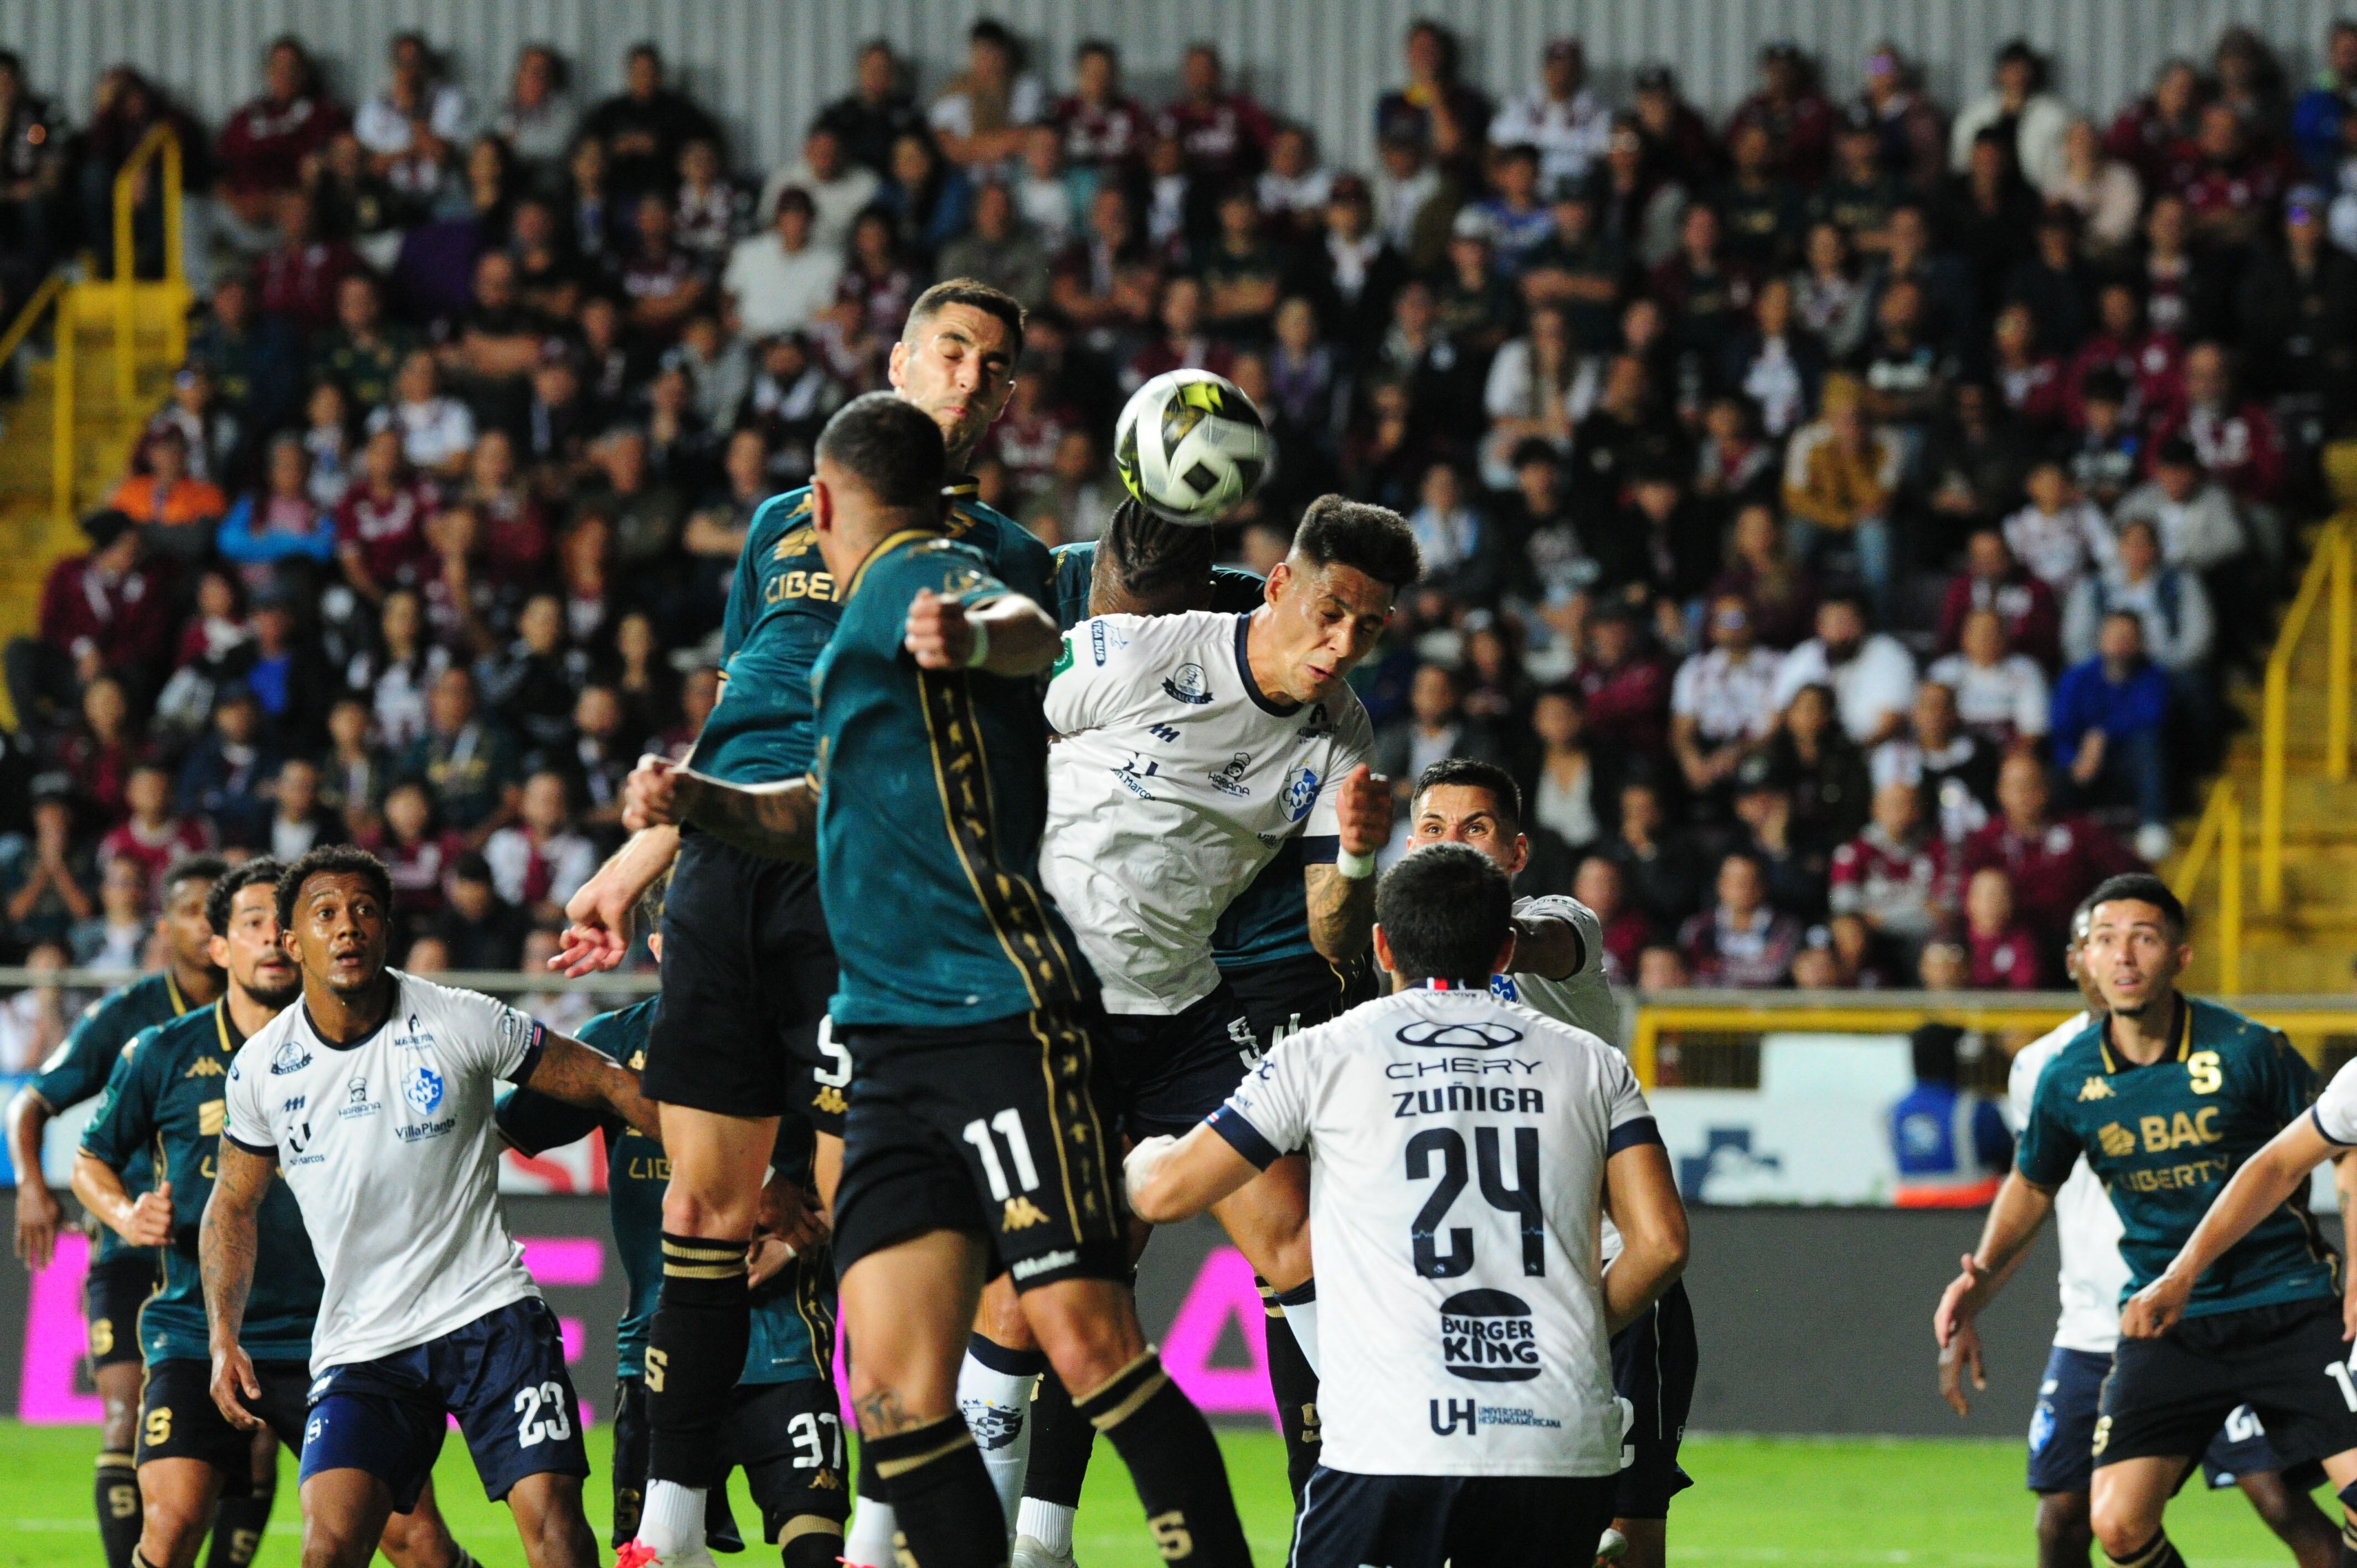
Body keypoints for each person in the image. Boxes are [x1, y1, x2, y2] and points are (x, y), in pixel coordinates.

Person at [628, 393, 1254, 1568]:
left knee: (1086, 1339)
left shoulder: (934, 572)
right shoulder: (852, 638)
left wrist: (975, 642)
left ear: (816, 507)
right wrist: (694, 803)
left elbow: (1023, 628)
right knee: (900, 1396)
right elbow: (818, 809)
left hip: (1001, 1022)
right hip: (886, 1048)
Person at [548, 281, 1058, 1568]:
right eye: (951, 349)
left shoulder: (998, 553)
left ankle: (878, 1535)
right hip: (722, 864)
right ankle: (664, 1532)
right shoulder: (790, 515)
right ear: (899, 358)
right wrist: (632, 862)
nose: (970, 376)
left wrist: (976, 639)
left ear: (1005, 400)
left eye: (994, 366)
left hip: (861, 876)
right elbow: (738, 710)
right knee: (704, 1214)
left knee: (867, 1223)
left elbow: (1032, 646)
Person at [1124, 841, 1689, 1568]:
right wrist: (1577, 1324)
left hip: (1390, 1441)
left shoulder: (1322, 1054)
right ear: (1506, 948)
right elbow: (1663, 1244)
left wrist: (1134, 1155)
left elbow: (1170, 1192)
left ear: (1383, 945)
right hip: (1554, 1439)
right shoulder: (1593, 1063)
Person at [203, 844, 660, 1568]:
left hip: (491, 1319)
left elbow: (606, 1081)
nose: (347, 927)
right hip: (363, 1345)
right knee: (328, 1549)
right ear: (293, 943)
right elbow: (232, 1205)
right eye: (325, 914)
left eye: (364, 911)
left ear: (387, 929)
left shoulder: (459, 1021)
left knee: (558, 1539)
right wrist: (223, 1335)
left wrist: (744, 1182)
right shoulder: (261, 1069)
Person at [1937, 876, 2357, 1568]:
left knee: (2293, 1508)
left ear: (2180, 957)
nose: (2123, 956)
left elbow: (2331, 1149)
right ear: (2083, 959)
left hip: (2285, 1306)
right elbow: (2029, 1186)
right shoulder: (2063, 1076)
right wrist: (1977, 1280)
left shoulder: (2249, 1050)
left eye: (2143, 938)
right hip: (2167, 1321)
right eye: (2105, 940)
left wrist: (2351, 1277)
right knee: (2114, 1526)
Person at [72, 857, 476, 1568]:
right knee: (169, 1527)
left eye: (276, 924)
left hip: (337, 1339)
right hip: (198, 1331)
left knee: (416, 1543)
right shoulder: (163, 1052)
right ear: (219, 946)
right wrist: (126, 1211)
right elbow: (89, 1157)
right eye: (249, 924)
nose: (267, 938)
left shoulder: (359, 1041)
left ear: (297, 943)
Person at [1403, 761, 1698, 1568]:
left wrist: (1476, 938)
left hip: (1610, 1288)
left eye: (1477, 830)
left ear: (1518, 851)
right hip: (1477, 1301)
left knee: (1625, 1545)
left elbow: (1541, 945)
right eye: (1433, 829)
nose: (1453, 846)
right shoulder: (1393, 974)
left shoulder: (1554, 923)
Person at [498, 877, 840, 1567]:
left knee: (815, 1541)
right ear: (656, 947)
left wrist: (802, 1240)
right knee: (651, 1554)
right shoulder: (613, 1046)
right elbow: (493, 1137)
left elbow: (868, 1163)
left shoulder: (806, 1043)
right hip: (655, 1355)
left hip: (781, 1347)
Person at [6, 855, 225, 1568]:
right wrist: (36, 1188)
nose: (207, 926)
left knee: (246, 1441)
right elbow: (32, 1102)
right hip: (133, 1249)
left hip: (231, 1256)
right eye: (193, 911)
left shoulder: (270, 1013)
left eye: (218, 912)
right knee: (124, 1418)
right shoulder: (129, 1017)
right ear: (165, 925)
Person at [1889, 1024, 2011, 1207]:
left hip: (1910, 1215)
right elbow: (2010, 1158)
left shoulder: (1895, 1111)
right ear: (1953, 1058)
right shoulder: (1975, 1109)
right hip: (1972, 1213)